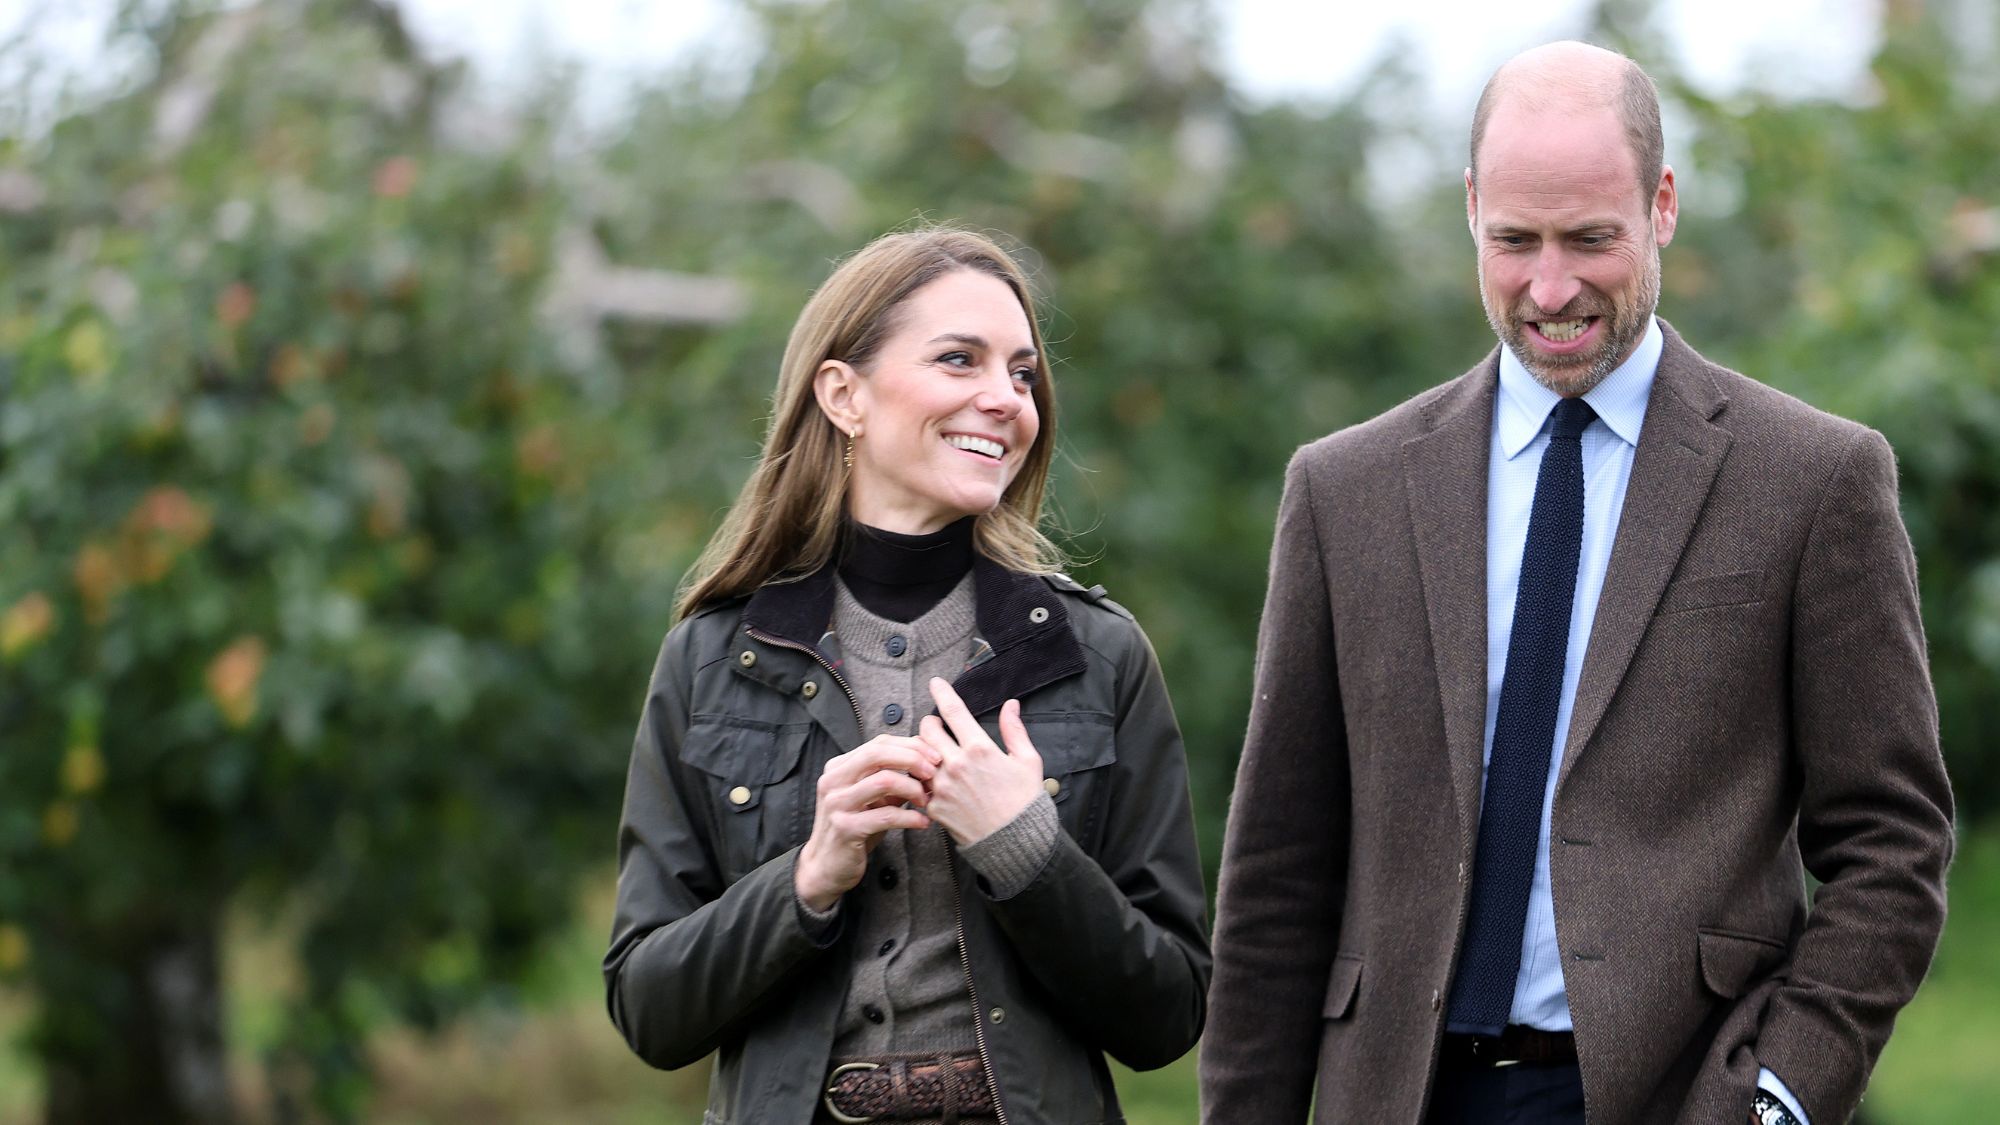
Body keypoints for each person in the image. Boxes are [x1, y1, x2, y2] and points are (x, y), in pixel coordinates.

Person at [1200, 41, 1953, 1125]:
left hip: (1679, 1093)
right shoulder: (1341, 491)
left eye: (1588, 239)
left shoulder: (1813, 479)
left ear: (1661, 206)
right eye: (1513, 241)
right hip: (1396, 1096)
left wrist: (1778, 1093)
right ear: (1468, 209)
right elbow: (1276, 870)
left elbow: (1892, 841)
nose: (1548, 289)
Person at [604, 226, 1209, 1124]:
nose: (1003, 397)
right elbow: (648, 1008)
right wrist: (807, 876)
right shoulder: (710, 658)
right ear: (844, 394)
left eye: (1021, 373)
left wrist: (1028, 852)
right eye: (959, 360)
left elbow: (1170, 1013)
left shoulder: (1100, 654)